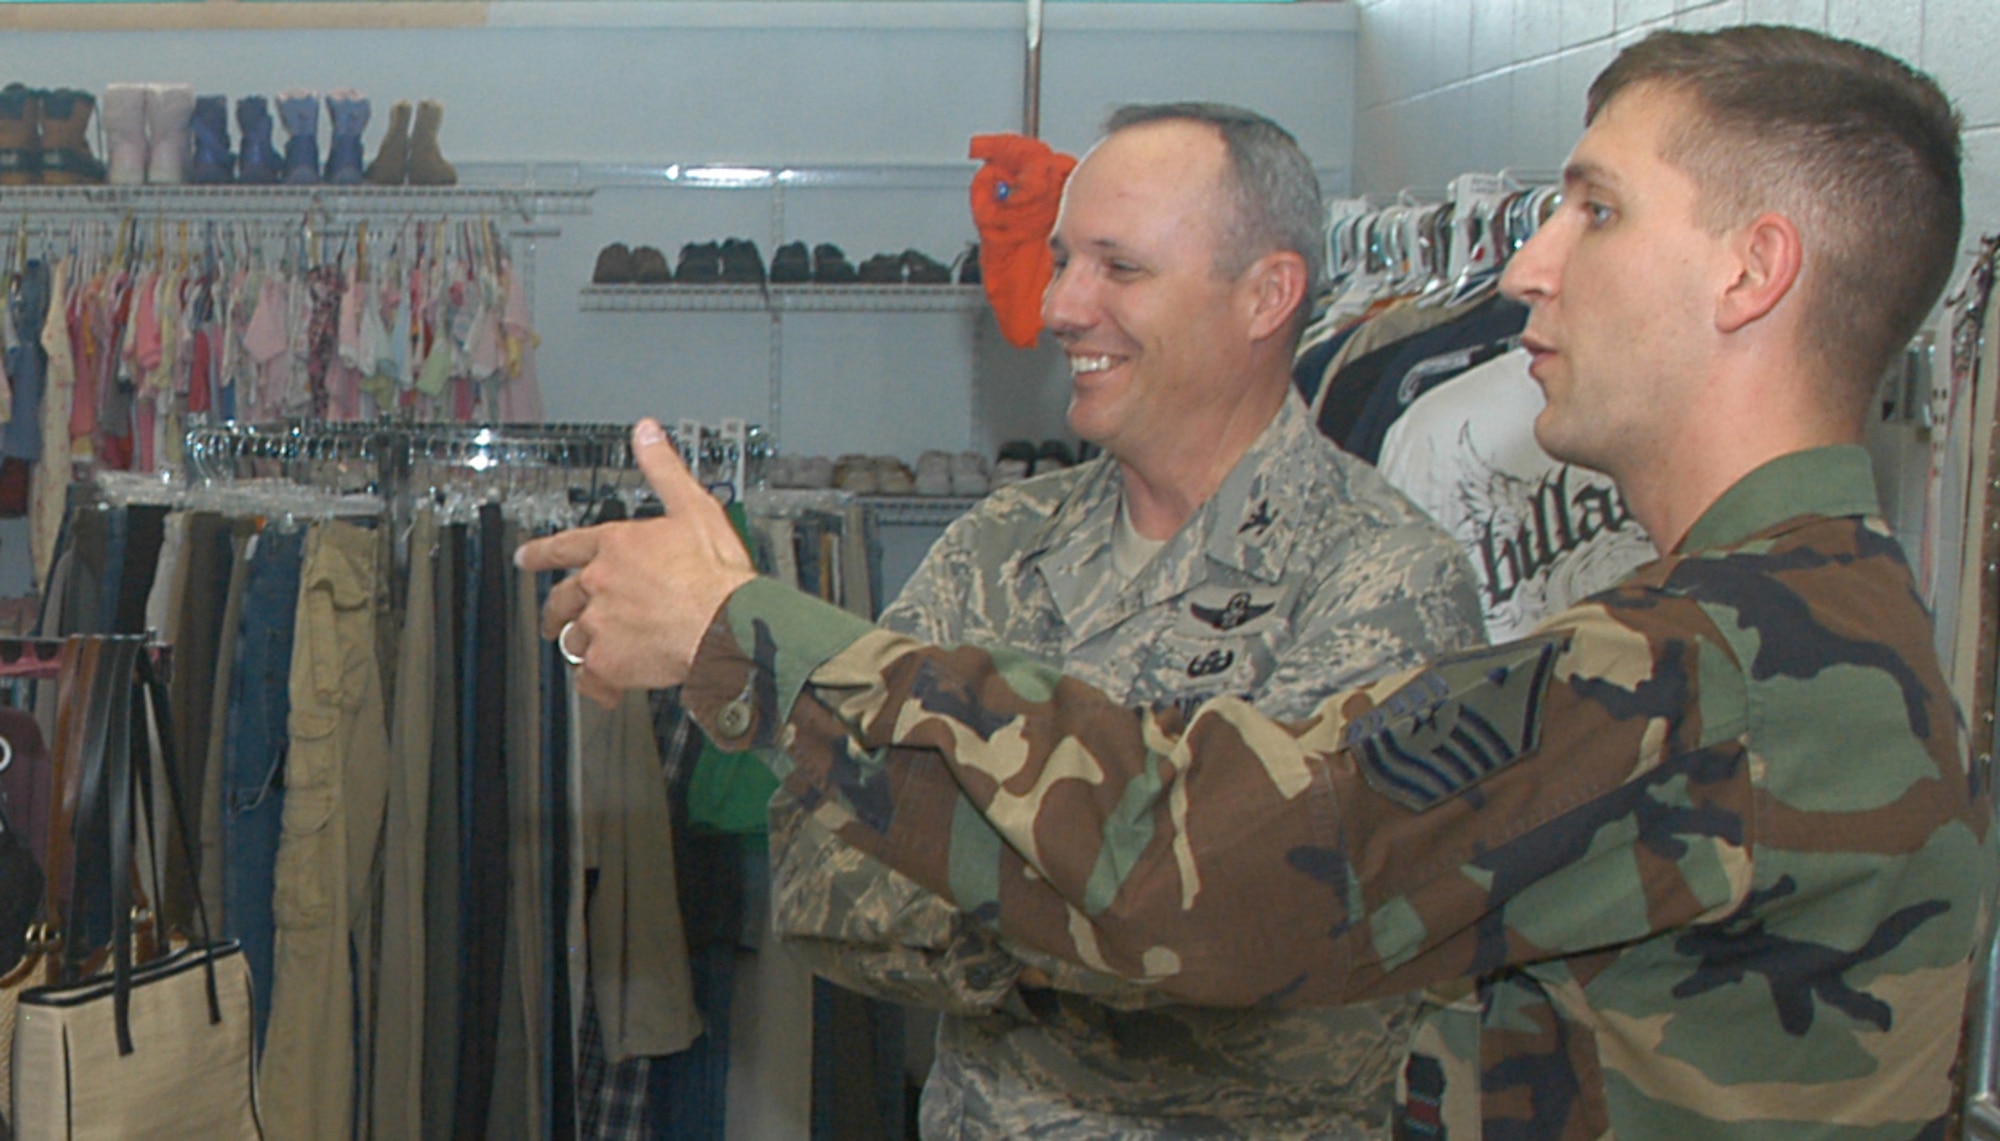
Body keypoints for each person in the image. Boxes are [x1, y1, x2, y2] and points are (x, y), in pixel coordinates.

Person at [519, 25, 1993, 1138]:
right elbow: (860, 890)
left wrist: (747, 634)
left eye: (1595, 210)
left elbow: (1230, 874)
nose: (1530, 266)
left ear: (1752, 273)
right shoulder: (1801, 629)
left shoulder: (1714, 672)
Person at [764, 103, 1487, 1139]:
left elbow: (1248, 924)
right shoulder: (999, 546)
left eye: (1117, 267)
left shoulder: (1381, 580)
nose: (1060, 306)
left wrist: (966, 874)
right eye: (1063, 260)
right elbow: (813, 857)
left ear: (1266, 295)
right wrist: (1097, 906)